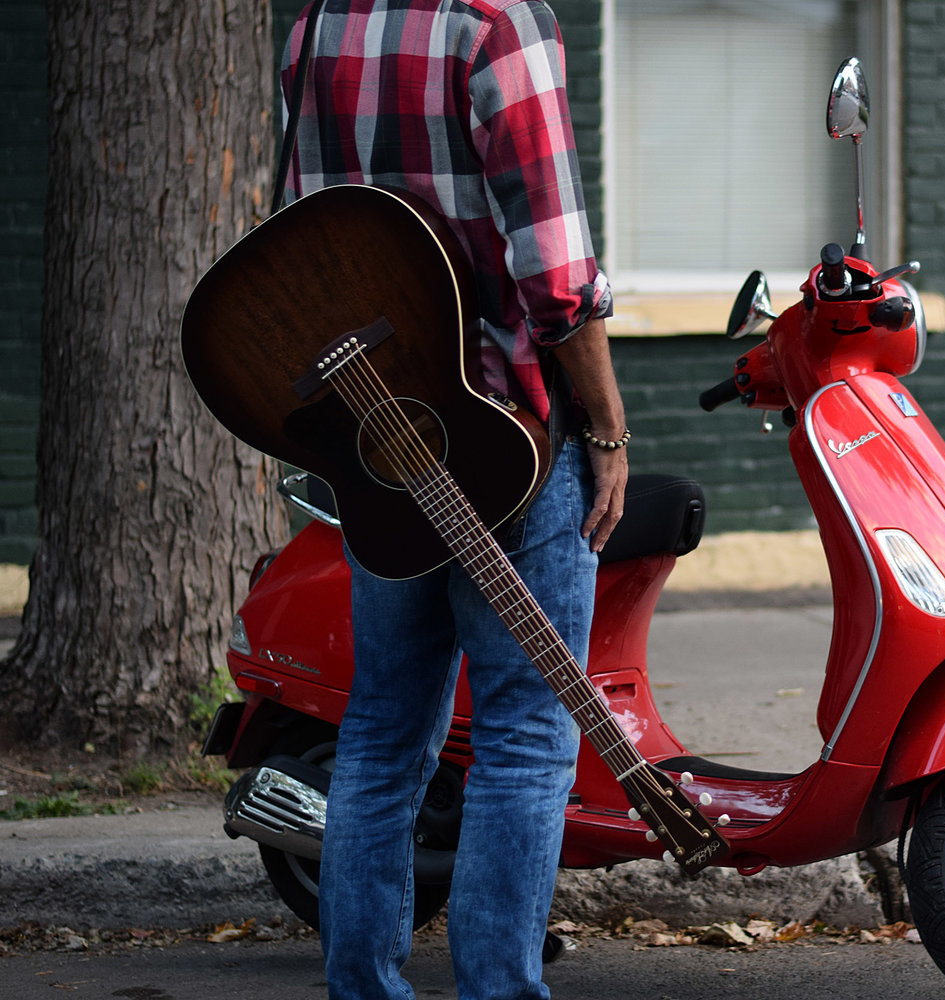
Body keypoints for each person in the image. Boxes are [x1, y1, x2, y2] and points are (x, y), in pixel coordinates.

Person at [279, 2, 627, 998]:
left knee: (383, 729)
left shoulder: (314, 25)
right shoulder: (496, 27)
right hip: (504, 439)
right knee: (524, 731)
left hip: (379, 439)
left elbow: (299, 239)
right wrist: (606, 427)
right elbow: (556, 276)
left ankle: (364, 985)